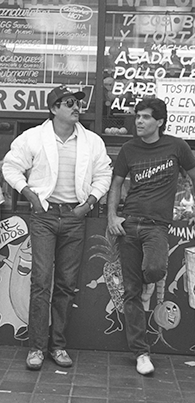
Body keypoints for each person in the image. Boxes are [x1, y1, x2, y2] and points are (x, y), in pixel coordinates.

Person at [2, 85, 112, 370]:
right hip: (45, 216)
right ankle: (37, 348)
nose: (76, 107)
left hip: (75, 216)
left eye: (77, 103)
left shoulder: (91, 141)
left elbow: (104, 174)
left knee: (65, 284)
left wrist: (88, 203)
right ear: (53, 109)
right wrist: (29, 195)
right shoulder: (34, 137)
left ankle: (58, 346)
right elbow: (10, 166)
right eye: (68, 103)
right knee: (41, 281)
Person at [107, 97, 195, 375]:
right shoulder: (128, 149)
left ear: (160, 122)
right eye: (137, 116)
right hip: (129, 225)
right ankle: (141, 352)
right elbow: (115, 184)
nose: (139, 121)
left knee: (154, 269)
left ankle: (143, 286)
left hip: (156, 226)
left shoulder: (177, 146)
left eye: (145, 117)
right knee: (131, 292)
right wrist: (112, 215)